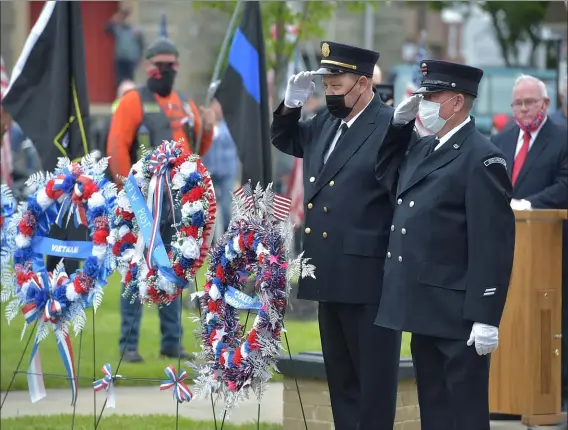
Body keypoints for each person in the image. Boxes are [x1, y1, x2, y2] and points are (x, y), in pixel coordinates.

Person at [374, 60, 516, 430]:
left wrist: (486, 316)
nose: (424, 103)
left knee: (463, 413)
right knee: (434, 411)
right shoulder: (425, 148)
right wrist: (397, 128)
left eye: (431, 96)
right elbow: (387, 177)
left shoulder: (482, 157)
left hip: (458, 315)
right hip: (423, 306)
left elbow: (493, 243)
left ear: (455, 102)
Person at [270, 41, 402, 430]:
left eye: (335, 84)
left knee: (373, 383)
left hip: (368, 276)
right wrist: (290, 104)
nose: (329, 92)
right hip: (327, 271)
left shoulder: (388, 126)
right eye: (325, 84)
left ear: (362, 83)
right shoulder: (325, 124)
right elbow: (286, 139)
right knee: (341, 382)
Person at [107, 37, 215, 363]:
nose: (164, 71)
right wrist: (132, 198)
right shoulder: (131, 102)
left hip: (178, 207)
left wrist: (207, 129)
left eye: (170, 65)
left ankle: (172, 341)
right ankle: (128, 343)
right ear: (147, 66)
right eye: (159, 65)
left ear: (177, 67)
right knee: (135, 273)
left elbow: (197, 151)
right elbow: (116, 148)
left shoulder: (186, 105)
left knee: (173, 271)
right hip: (141, 206)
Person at [491, 74, 568, 411]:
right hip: (508, 247)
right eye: (518, 103)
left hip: (550, 248)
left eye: (530, 102)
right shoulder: (503, 139)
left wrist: (528, 204)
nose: (523, 109)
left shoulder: (563, 138)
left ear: (546, 104)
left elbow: (565, 184)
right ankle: (510, 388)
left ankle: (557, 388)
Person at [201, 98, 238, 233]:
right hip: (210, 170)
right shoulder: (206, 126)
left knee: (227, 207)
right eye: (215, 105)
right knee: (207, 206)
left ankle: (227, 236)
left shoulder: (229, 124)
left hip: (227, 170)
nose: (218, 109)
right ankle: (207, 239)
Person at [105, 7, 144, 88]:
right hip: (120, 59)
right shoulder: (118, 28)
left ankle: (130, 98)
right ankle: (120, 98)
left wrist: (140, 58)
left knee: (130, 81)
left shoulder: (136, 30)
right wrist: (113, 19)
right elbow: (107, 30)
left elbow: (141, 44)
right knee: (119, 81)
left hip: (131, 59)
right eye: (124, 16)